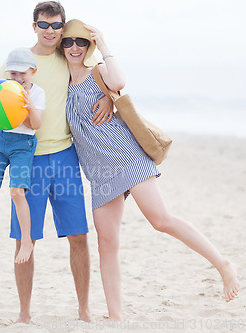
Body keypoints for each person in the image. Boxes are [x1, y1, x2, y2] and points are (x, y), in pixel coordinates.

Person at [60, 18, 240, 321]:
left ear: (89, 45)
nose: (75, 47)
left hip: (126, 157)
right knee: (107, 243)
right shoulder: (59, 82)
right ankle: (115, 316)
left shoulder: (98, 71)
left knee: (161, 220)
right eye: (69, 42)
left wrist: (104, 44)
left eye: (81, 41)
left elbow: (118, 82)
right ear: (61, 46)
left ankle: (223, 265)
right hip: (98, 171)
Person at [0, 1, 114, 324]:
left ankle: (84, 310)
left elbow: (97, 78)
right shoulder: (18, 61)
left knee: (78, 236)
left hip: (64, 157)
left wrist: (107, 96)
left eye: (56, 25)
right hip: (27, 158)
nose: (50, 31)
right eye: (44, 25)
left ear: (63, 27)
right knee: (25, 239)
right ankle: (24, 314)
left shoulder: (68, 56)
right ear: (34, 26)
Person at [0, 47, 46, 264]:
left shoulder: (38, 93)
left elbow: (36, 124)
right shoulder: (3, 88)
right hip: (0, 141)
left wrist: (28, 106)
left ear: (33, 71)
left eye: (23, 73)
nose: (18, 77)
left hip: (23, 145)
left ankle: (26, 241)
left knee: (16, 193)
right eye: (13, 73)